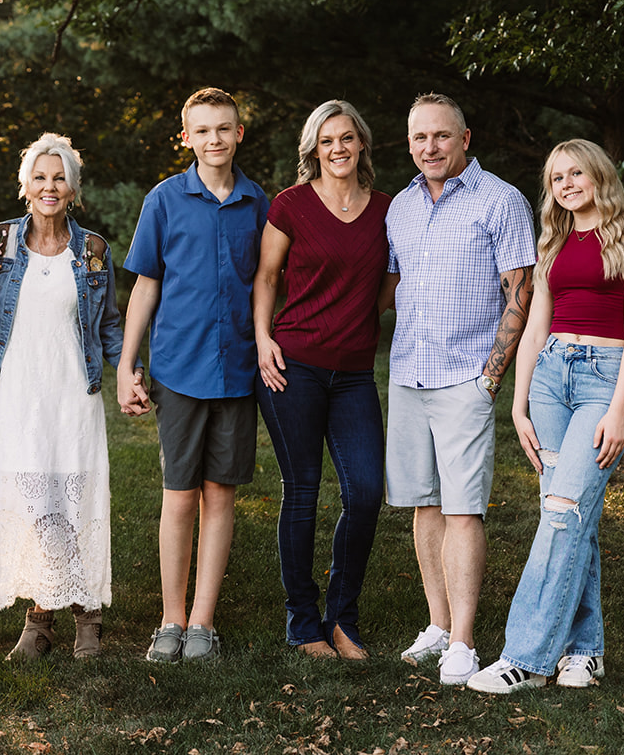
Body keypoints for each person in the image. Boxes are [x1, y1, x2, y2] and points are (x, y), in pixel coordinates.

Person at [468, 139, 624, 695]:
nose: (567, 184)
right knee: (575, 518)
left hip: (606, 377)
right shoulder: (552, 241)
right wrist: (519, 400)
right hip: (551, 376)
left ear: (599, 175)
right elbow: (534, 325)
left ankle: (525, 658)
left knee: (562, 509)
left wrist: (620, 410)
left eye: (576, 173)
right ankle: (585, 652)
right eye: (556, 178)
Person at [384, 92, 537, 687]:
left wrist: (489, 378)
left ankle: (467, 644)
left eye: (441, 137)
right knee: (424, 504)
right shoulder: (399, 207)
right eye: (420, 138)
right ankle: (439, 626)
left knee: (463, 508)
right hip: (408, 375)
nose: (430, 148)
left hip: (466, 379)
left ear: (465, 138)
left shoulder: (501, 201)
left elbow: (518, 295)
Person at [117, 87, 269, 664]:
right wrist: (128, 364)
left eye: (224, 129)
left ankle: (203, 620)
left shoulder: (258, 204)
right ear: (187, 138)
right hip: (178, 369)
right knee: (179, 496)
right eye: (202, 131)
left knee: (219, 494)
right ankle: (171, 617)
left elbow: (264, 282)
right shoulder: (164, 199)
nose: (214, 140)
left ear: (238, 134)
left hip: (236, 369)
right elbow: (146, 285)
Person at [0, 133, 124, 660]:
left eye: (60, 178)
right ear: (25, 186)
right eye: (40, 177)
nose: (50, 186)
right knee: (33, 499)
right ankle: (40, 618)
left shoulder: (93, 250)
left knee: (73, 496)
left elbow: (110, 324)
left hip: (71, 391)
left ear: (73, 189)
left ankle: (87, 616)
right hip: (16, 391)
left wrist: (131, 372)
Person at [253, 100, 392, 660]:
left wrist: (361, 319)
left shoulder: (387, 209)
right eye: (326, 140)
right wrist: (263, 339)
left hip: (355, 372)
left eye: (347, 138)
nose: (337, 148)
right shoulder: (290, 206)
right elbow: (265, 276)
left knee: (365, 492)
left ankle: (343, 616)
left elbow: (389, 283)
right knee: (303, 492)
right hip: (294, 367)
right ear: (314, 149)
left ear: (361, 144)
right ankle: (303, 621)